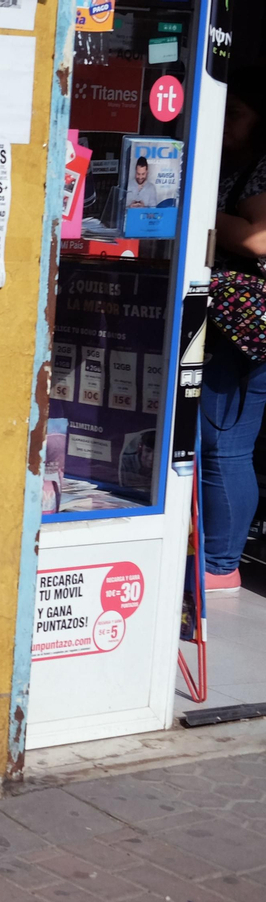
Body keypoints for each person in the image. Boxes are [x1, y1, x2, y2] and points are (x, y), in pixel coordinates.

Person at [203, 67, 266, 594]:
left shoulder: (260, 168)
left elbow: (259, 241)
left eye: (238, 114)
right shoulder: (230, 164)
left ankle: (220, 564)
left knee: (224, 441)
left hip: (243, 328)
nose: (225, 124)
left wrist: (203, 215)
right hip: (229, 322)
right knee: (216, 440)